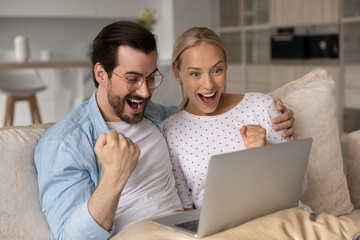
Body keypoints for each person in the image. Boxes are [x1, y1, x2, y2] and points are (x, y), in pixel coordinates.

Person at [34, 21, 295, 239]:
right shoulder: (64, 144)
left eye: (150, 78)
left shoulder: (161, 118)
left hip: (190, 230)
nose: (145, 92)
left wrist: (276, 113)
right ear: (101, 74)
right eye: (133, 79)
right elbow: (68, 237)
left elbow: (206, 115)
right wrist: (113, 179)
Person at [163, 27, 307, 210]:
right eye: (195, 74)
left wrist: (263, 153)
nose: (208, 85)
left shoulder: (261, 106)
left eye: (217, 70)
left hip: (283, 220)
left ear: (226, 66)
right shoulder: (171, 131)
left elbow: (300, 186)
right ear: (177, 74)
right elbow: (185, 207)